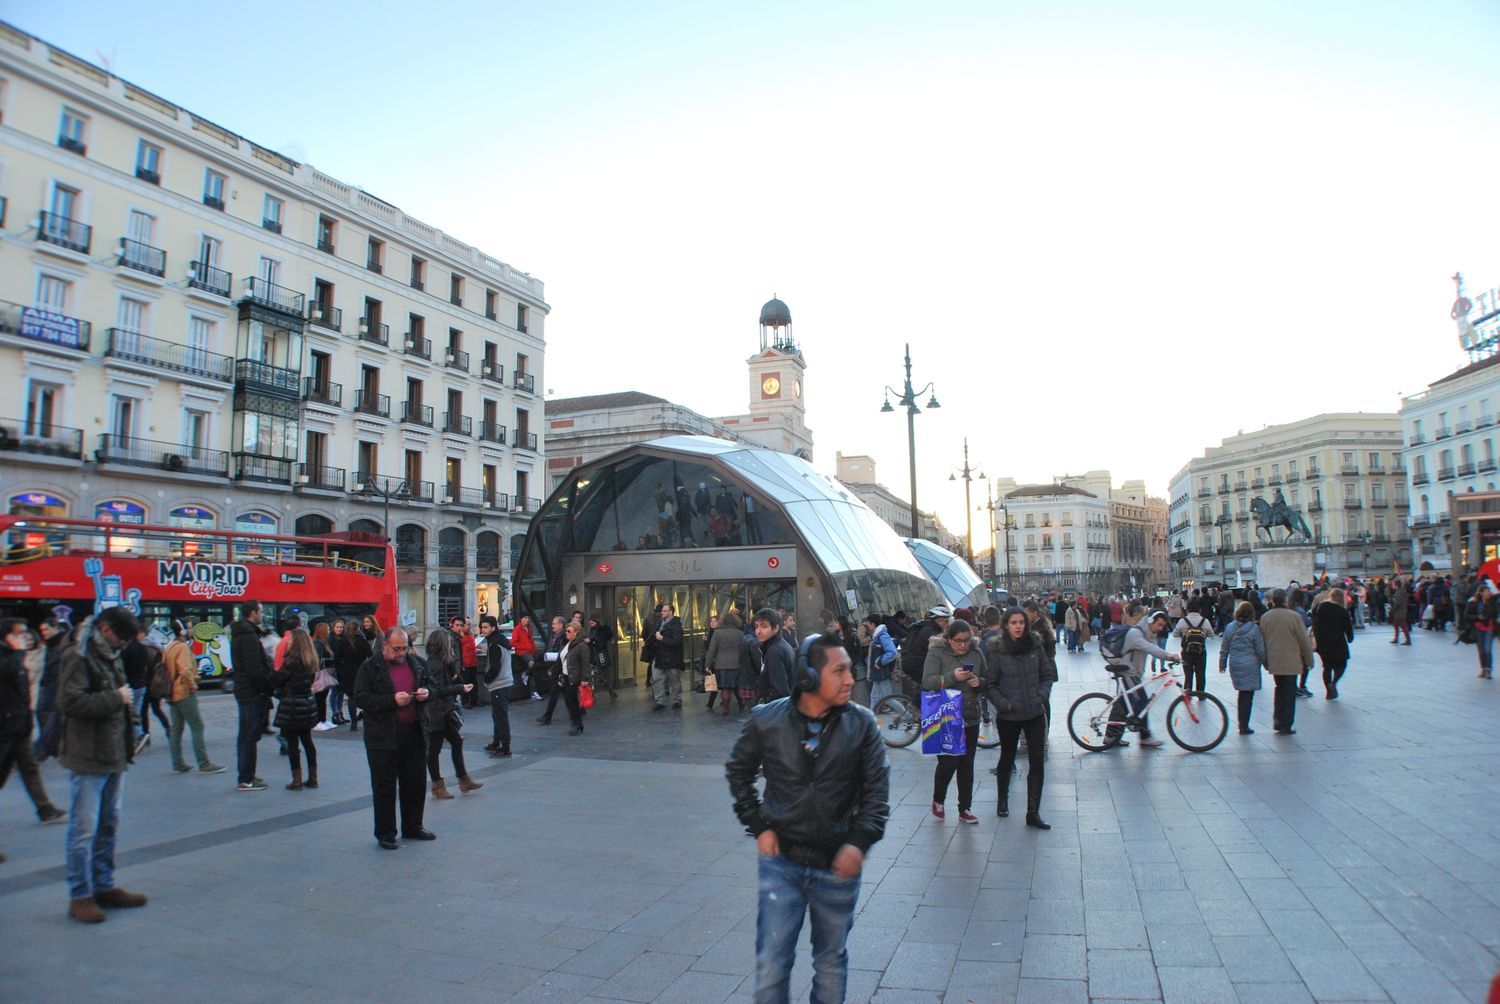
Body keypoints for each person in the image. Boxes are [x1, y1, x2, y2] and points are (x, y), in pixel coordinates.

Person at [725, 633, 890, 1003]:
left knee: (830, 962)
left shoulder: (862, 724)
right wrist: (759, 825)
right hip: (781, 863)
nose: (850, 679)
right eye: (839, 671)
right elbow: (738, 771)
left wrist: (858, 842)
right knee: (771, 964)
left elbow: (877, 793)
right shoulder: (766, 720)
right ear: (808, 677)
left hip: (837, 866)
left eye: (849, 669)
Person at [58, 606, 146, 923]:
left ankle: (104, 885)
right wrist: (116, 699)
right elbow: (69, 702)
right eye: (122, 639)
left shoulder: (108, 652)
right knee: (83, 830)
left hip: (113, 753)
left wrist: (132, 728)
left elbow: (125, 695)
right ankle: (80, 894)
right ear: (106, 629)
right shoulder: (79, 655)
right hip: (88, 755)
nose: (124, 645)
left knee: (109, 824)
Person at [355, 628, 436, 849]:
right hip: (383, 736)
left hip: (414, 732)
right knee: (385, 786)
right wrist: (391, 701)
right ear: (385, 647)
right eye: (396, 649)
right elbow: (360, 698)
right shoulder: (370, 667)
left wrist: (427, 693)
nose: (401, 653)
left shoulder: (416, 663)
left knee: (415, 783)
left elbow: (433, 686)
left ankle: (413, 826)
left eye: (404, 648)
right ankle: (386, 832)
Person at [984, 608, 1056, 826]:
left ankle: (1032, 812)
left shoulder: (1035, 646)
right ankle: (1002, 800)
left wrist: (1040, 696)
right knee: (1007, 757)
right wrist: (1003, 704)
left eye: (1021, 622)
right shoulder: (998, 650)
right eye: (1013, 622)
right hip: (1009, 715)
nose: (1018, 626)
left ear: (1026, 624)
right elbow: (991, 684)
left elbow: (1047, 675)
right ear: (1006, 625)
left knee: (1037, 762)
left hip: (1034, 712)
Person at [0, 618, 66, 825]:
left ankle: (44, 807)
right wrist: (19, 654)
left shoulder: (16, 656)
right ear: (7, 635)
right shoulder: (8, 656)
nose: (25, 637)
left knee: (30, 767)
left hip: (20, 724)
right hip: (5, 726)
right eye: (19, 633)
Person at [922, 619, 988, 824]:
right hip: (946, 716)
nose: (963, 645)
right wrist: (952, 677)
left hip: (970, 716)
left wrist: (979, 683)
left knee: (967, 764)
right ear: (949, 639)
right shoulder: (936, 653)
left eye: (967, 641)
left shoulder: (976, 654)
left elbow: (988, 679)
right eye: (958, 641)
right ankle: (938, 800)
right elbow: (928, 682)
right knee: (949, 761)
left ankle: (965, 807)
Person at [1103, 607, 1180, 748]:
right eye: (1160, 624)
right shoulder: (1136, 634)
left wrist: (1167, 656)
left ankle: (1111, 736)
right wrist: (1168, 655)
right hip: (1127, 672)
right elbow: (1151, 649)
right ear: (1151, 621)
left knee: (1123, 704)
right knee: (1141, 701)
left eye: (1163, 625)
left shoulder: (1149, 633)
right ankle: (1144, 736)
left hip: (1133, 673)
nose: (1161, 628)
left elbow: (1155, 648)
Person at [420, 628, 480, 797]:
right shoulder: (435, 664)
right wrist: (460, 688)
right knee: (435, 749)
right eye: (448, 643)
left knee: (454, 742)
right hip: (437, 712)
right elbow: (438, 689)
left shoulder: (438, 662)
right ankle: (438, 785)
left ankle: (463, 779)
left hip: (441, 711)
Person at [162, 619, 224, 774]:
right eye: (189, 628)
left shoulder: (169, 647)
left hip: (171, 693)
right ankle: (204, 763)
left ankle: (177, 763)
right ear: (182, 631)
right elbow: (185, 671)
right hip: (183, 692)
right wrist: (193, 685)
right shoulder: (182, 648)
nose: (191, 631)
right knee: (197, 726)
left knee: (176, 729)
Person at [230, 601, 275, 791]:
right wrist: (266, 686)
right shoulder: (249, 636)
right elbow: (254, 669)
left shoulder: (239, 634)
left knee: (245, 734)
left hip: (242, 689)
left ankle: (245, 775)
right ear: (253, 613)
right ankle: (247, 778)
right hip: (252, 691)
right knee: (250, 735)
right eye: (261, 611)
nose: (263, 615)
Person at [1261, 589, 1314, 736]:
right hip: (1291, 660)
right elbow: (1304, 640)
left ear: (1272, 600)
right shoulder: (1294, 616)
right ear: (1285, 600)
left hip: (1275, 660)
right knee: (1289, 693)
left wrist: (1265, 661)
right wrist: (1309, 659)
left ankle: (1277, 720)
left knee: (1279, 689)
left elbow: (1263, 641)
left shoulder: (1266, 617)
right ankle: (1286, 724)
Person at [274, 627, 322, 791]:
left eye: (291, 640)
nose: (288, 641)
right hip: (307, 704)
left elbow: (279, 679)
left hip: (292, 705)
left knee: (293, 744)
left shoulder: (292, 660)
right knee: (308, 741)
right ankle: (313, 778)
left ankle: (297, 779)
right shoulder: (310, 660)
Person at [1218, 601, 1266, 734]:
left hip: (1235, 664)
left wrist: (1222, 663)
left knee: (1241, 693)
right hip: (1250, 664)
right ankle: (1244, 725)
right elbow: (1260, 650)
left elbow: (1224, 648)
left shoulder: (1229, 627)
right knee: (1248, 695)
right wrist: (1266, 663)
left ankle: (1241, 723)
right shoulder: (1254, 629)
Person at [898, 606, 951, 700]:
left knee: (927, 686)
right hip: (915, 664)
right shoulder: (931, 631)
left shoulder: (927, 627)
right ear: (939, 621)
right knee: (930, 683)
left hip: (912, 662)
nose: (947, 624)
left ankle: (918, 706)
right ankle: (917, 707)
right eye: (946, 621)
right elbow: (939, 650)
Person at [1312, 587, 1356, 699]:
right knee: (1342, 664)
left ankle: (1328, 691)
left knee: (1327, 667)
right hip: (1338, 642)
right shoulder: (1342, 611)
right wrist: (1350, 638)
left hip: (1323, 642)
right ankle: (1334, 683)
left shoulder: (1321, 607)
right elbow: (1348, 628)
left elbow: (1314, 622)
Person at [479, 616, 513, 756]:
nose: (483, 630)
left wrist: (486, 679)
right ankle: (497, 742)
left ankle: (505, 747)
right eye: (482, 627)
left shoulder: (494, 645)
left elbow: (494, 667)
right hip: (504, 682)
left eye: (486, 627)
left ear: (493, 628)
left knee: (500, 716)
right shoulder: (499, 641)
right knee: (498, 715)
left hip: (500, 683)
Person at [706, 610, 745, 718]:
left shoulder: (718, 633)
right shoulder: (740, 633)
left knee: (725, 688)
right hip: (737, 664)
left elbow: (711, 650)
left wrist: (708, 665)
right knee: (737, 687)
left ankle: (726, 709)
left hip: (721, 664)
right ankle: (741, 705)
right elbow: (744, 650)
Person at [1171, 599, 1216, 694]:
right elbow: (1211, 635)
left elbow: (1174, 634)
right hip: (1201, 651)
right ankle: (1201, 694)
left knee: (1188, 674)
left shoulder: (1183, 621)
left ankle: (1188, 693)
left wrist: (1184, 633)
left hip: (1186, 652)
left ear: (1187, 609)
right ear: (1199, 609)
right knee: (1200, 673)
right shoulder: (1205, 621)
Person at [333, 618, 370, 732]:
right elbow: (370, 655)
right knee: (364, 696)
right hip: (361, 671)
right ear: (358, 629)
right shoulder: (362, 641)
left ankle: (353, 722)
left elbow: (337, 659)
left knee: (351, 698)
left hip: (347, 672)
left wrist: (340, 672)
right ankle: (366, 719)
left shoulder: (343, 641)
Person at [752, 609, 796, 702]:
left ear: (776, 628)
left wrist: (764, 708)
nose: (758, 631)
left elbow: (780, 690)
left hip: (774, 711)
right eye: (756, 626)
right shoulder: (780, 645)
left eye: (764, 626)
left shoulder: (774, 651)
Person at [556, 620, 590, 735]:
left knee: (570, 700)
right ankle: (578, 723)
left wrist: (585, 679)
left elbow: (585, 663)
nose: (566, 633)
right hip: (566, 676)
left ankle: (575, 723)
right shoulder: (568, 644)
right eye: (566, 631)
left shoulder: (581, 646)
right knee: (571, 701)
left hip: (574, 677)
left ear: (576, 632)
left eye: (569, 631)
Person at [650, 603, 685, 711]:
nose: (662, 612)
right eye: (662, 611)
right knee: (656, 678)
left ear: (670, 612)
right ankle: (660, 700)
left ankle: (677, 700)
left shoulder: (676, 626)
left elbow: (677, 642)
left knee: (674, 679)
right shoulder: (660, 622)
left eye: (665, 611)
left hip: (672, 656)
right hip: (659, 655)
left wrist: (662, 639)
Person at [536, 616, 570, 724]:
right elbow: (547, 650)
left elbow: (561, 654)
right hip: (555, 668)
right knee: (563, 693)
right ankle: (577, 711)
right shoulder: (554, 637)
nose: (552, 626)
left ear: (561, 625)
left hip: (559, 669)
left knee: (556, 693)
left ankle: (548, 716)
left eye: (555, 624)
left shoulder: (563, 638)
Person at [863, 614, 899, 706]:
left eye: (868, 623)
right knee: (874, 697)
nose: (867, 625)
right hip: (878, 674)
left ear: (872, 624)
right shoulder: (876, 636)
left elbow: (892, 652)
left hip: (882, 673)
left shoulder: (882, 636)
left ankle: (907, 716)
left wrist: (879, 662)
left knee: (889, 699)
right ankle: (871, 719)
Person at [1467, 579, 1496, 678]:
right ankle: (1483, 669)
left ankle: (1488, 670)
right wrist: (1477, 617)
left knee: (1487, 649)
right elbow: (1466, 615)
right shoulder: (1474, 603)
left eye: (1489, 591)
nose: (1489, 593)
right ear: (1481, 593)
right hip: (1478, 628)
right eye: (1487, 591)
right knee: (1481, 651)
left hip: (1489, 627)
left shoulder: (1492, 601)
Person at [587, 614, 617, 704]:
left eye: (593, 621)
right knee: (594, 676)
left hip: (600, 655)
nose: (591, 623)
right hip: (593, 655)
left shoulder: (601, 630)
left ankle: (611, 693)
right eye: (590, 622)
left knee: (603, 675)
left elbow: (601, 642)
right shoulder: (592, 630)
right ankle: (593, 695)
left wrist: (591, 641)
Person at [511, 615, 539, 700]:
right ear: (521, 619)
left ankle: (533, 691)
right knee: (532, 662)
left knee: (532, 672)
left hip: (530, 652)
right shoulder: (517, 629)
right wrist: (523, 647)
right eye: (525, 618)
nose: (527, 619)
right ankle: (526, 673)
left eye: (528, 618)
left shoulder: (529, 628)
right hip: (522, 652)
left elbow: (531, 640)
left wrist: (533, 649)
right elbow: (513, 642)